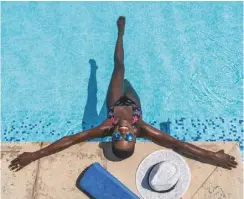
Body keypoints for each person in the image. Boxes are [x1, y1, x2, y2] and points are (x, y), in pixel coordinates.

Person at [9, 16, 237, 172]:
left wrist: (33, 156)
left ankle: (119, 34)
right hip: (133, 100)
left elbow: (70, 140)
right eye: (129, 138)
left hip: (116, 99)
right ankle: (121, 42)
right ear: (136, 136)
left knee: (119, 69)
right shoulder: (143, 127)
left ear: (112, 136)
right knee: (127, 78)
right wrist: (213, 157)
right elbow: (178, 145)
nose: (124, 133)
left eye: (118, 138)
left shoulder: (105, 126)